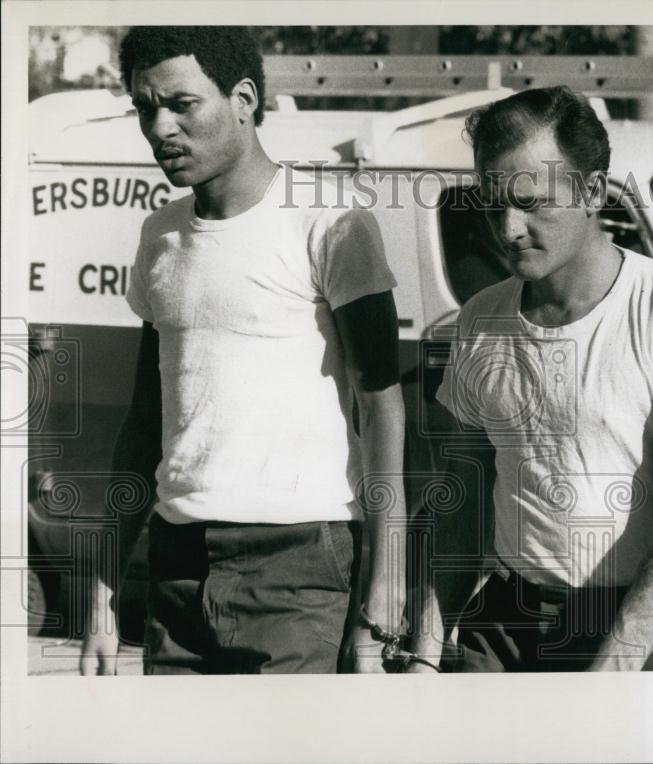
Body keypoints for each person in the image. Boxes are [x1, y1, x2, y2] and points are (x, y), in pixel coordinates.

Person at [79, 26, 407, 674]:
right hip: (176, 569)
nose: (160, 128)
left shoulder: (330, 224)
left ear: (245, 99)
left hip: (299, 568)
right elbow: (143, 426)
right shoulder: (159, 237)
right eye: (146, 108)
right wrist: (101, 595)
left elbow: (383, 410)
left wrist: (385, 585)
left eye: (181, 103)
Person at [409, 86, 653, 672]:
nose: (509, 229)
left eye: (531, 203)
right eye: (492, 204)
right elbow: (463, 500)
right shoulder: (480, 320)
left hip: (642, 619)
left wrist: (613, 668)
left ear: (592, 191)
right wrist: (425, 646)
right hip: (509, 621)